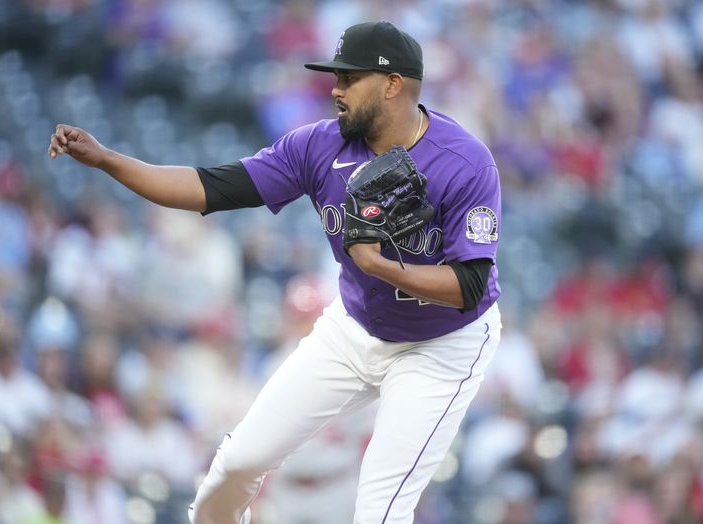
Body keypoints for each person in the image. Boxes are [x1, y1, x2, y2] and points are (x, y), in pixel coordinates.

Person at [48, 20, 503, 524]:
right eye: (336, 77)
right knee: (237, 464)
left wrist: (375, 263)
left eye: (350, 78)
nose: (336, 88)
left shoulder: (465, 162)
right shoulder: (318, 146)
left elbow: (470, 285)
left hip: (442, 345)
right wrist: (109, 159)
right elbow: (211, 188)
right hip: (356, 328)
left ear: (394, 84)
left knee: (380, 508)